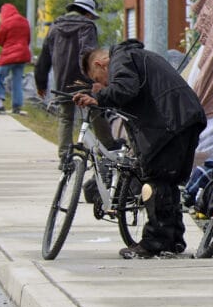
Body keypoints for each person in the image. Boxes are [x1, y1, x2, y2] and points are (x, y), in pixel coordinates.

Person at [75, 41, 205, 259]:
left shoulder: (120, 59)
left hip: (170, 120)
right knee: (168, 181)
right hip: (183, 116)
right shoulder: (135, 55)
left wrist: (98, 96)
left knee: (155, 180)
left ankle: (154, 242)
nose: (103, 82)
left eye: (98, 79)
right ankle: (172, 240)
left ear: (100, 64)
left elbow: (126, 89)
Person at [35, 0, 104, 159]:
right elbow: (89, 54)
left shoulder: (55, 27)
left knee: (65, 118)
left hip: (62, 80)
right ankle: (109, 148)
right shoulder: (88, 27)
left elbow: (44, 57)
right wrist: (97, 79)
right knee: (96, 111)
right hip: (85, 79)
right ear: (87, 14)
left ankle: (64, 158)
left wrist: (40, 83)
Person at [0, 3, 33, 114]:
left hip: (8, 56)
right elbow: (28, 39)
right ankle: (17, 107)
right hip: (23, 56)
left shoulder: (6, 23)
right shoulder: (25, 21)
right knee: (17, 81)